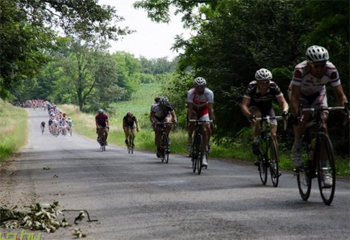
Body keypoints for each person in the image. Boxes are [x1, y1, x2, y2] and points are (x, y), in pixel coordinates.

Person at [289, 45, 348, 171]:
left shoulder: (331, 70)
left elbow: (340, 95)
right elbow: (294, 97)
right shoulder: (300, 70)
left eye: (323, 65)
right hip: (301, 94)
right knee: (302, 118)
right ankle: (297, 145)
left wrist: (346, 110)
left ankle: (324, 169)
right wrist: (296, 115)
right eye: (316, 66)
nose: (320, 69)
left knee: (324, 125)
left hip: (318, 93)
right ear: (309, 64)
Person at [241, 68, 289, 159]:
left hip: (268, 108)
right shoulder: (251, 87)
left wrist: (285, 111)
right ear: (257, 82)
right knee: (257, 115)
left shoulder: (273, 86)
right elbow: (244, 105)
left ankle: (274, 162)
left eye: (266, 82)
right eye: (261, 82)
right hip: (254, 107)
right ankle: (256, 140)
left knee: (274, 135)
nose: (264, 85)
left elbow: (283, 102)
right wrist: (249, 115)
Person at [187, 77, 215, 166]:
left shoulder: (209, 93)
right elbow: (190, 108)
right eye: (198, 87)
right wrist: (189, 119)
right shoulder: (191, 93)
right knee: (192, 123)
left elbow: (210, 109)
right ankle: (190, 139)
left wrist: (212, 121)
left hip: (204, 110)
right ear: (194, 87)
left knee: (206, 128)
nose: (200, 89)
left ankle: (204, 153)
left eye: (202, 87)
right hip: (194, 110)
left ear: (205, 86)